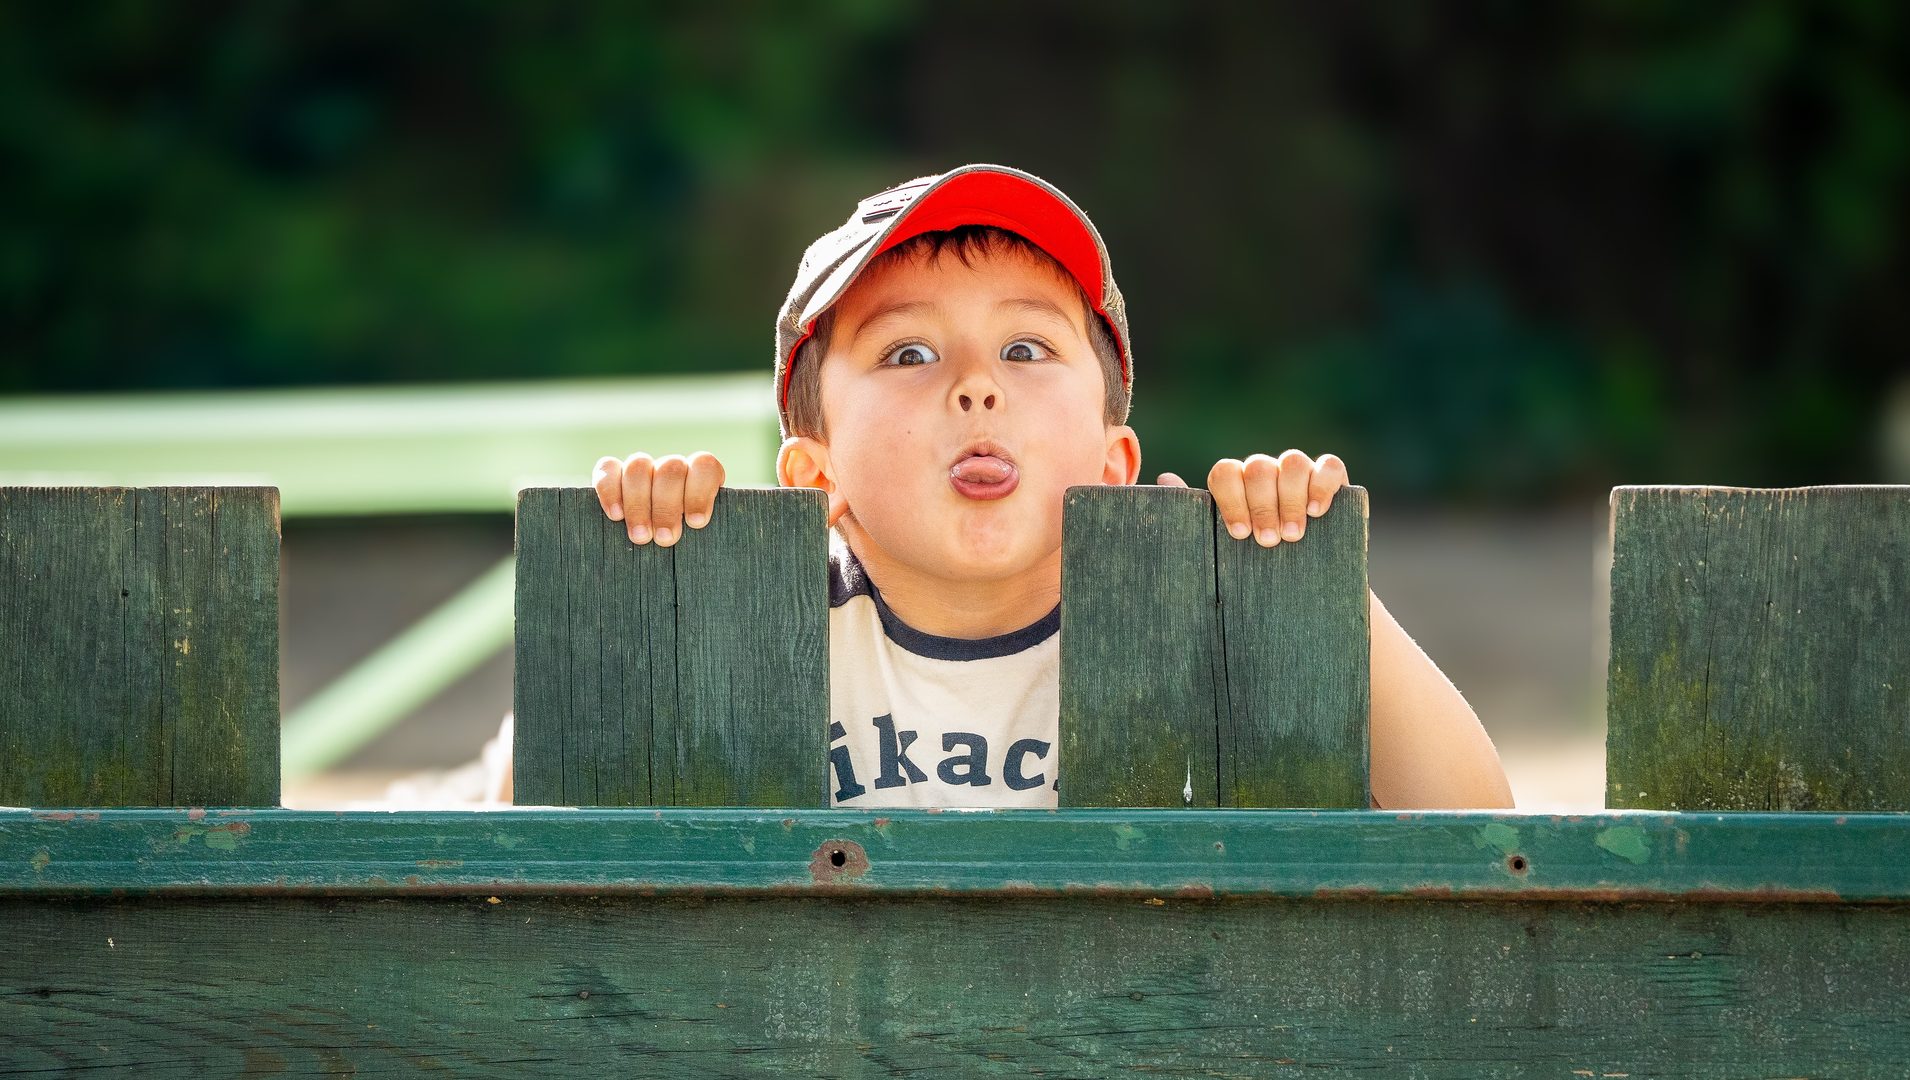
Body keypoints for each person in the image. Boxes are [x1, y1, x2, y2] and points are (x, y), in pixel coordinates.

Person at [480, 163, 1513, 811]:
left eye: (1025, 347)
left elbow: (1479, 834)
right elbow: (502, 864)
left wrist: (1323, 594)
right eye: (906, 356)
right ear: (812, 478)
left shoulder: (1200, 629)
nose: (976, 387)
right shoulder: (752, 628)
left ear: (1114, 465)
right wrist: (631, 604)